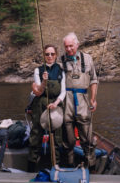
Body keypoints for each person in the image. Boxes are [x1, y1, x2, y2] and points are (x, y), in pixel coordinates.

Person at [61, 32, 98, 170]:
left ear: (77, 44)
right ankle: (69, 167)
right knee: (68, 141)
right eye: (66, 47)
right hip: (67, 104)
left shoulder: (88, 59)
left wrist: (93, 100)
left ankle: (92, 167)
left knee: (87, 140)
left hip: (83, 103)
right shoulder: (60, 61)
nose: (69, 49)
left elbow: (94, 80)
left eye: (71, 46)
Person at [28, 44, 66, 172]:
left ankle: (55, 166)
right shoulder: (38, 70)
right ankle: (32, 166)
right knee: (36, 134)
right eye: (47, 54)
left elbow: (64, 91)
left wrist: (56, 103)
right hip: (40, 105)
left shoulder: (61, 70)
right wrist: (44, 82)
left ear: (56, 55)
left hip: (56, 105)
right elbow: (38, 91)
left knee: (56, 137)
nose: (50, 56)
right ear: (44, 56)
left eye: (52, 54)